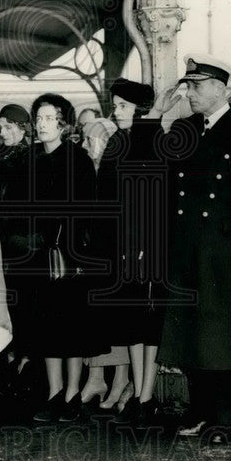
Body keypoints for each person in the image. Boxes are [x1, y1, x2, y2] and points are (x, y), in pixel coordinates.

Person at [153, 55, 231, 442]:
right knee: (192, 333)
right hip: (188, 248)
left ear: (223, 89)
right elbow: (150, 166)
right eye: (188, 86)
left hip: (230, 249)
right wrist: (156, 113)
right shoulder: (186, 129)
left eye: (197, 86)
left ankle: (227, 417)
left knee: (226, 335)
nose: (189, 93)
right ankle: (201, 410)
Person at [21, 93, 105, 423]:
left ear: (63, 124)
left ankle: (72, 394)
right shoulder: (30, 159)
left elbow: (87, 210)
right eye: (38, 119)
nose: (41, 125)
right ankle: (54, 393)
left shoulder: (78, 159)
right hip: (39, 256)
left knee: (71, 328)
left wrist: (72, 247)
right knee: (45, 328)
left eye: (48, 119)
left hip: (71, 257)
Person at [93, 78, 171, 425]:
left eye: (123, 106)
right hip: (123, 247)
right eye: (116, 105)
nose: (116, 111)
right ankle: (138, 393)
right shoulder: (115, 142)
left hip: (148, 247)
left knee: (149, 323)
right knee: (133, 324)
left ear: (140, 111)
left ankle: (146, 395)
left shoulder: (155, 140)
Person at [77, 115, 132, 412]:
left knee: (118, 318)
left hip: (116, 252)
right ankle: (97, 376)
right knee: (96, 317)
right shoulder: (89, 170)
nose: (85, 145)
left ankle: (121, 378)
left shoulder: (117, 170)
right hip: (95, 252)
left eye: (90, 139)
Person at [0, 103, 37, 387]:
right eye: (1, 127)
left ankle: (24, 361)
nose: (3, 131)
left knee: (22, 302)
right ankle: (5, 358)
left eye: (9, 127)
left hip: (21, 242)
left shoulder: (31, 158)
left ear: (22, 129)